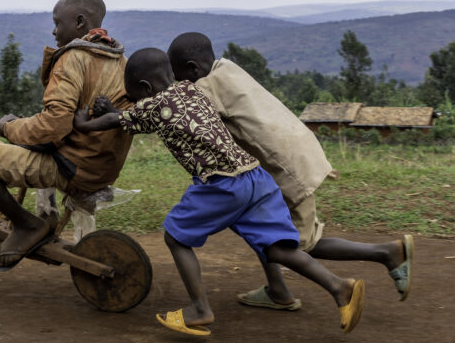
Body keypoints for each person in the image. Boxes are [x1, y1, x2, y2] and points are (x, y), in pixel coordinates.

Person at [75, 48, 365, 336]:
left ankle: (200, 309)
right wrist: (118, 112)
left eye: (136, 96)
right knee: (277, 248)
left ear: (146, 89)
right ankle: (340, 287)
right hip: (255, 177)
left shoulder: (154, 105)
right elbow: (135, 118)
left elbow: (118, 121)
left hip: (222, 184)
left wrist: (83, 124)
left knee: (175, 236)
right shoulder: (190, 90)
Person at [166, 32, 413, 309]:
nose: (180, 84)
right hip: (297, 153)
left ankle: (386, 253)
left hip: (288, 169)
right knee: (259, 225)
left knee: (294, 246)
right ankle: (278, 290)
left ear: (193, 69)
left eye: (179, 77)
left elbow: (176, 111)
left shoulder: (206, 87)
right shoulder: (226, 67)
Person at [0, 0, 132, 271]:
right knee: (8, 146)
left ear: (81, 22)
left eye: (58, 22)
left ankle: (27, 225)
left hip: (72, 165)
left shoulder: (74, 58)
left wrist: (9, 127)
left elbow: (53, 126)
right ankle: (34, 221)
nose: (53, 31)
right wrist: (25, 126)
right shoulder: (120, 61)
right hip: (99, 164)